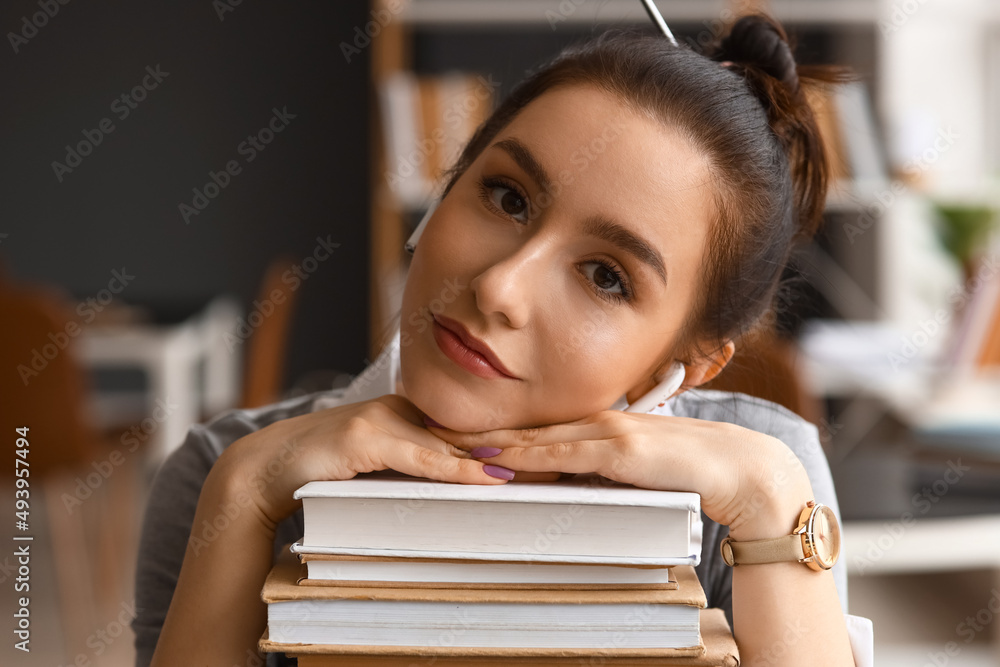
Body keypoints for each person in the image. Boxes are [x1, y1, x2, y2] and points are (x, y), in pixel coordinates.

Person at [134, 14, 874, 666]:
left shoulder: (761, 491)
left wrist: (771, 497)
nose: (500, 287)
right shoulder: (225, 472)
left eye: (606, 276)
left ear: (687, 363)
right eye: (507, 196)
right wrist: (244, 491)